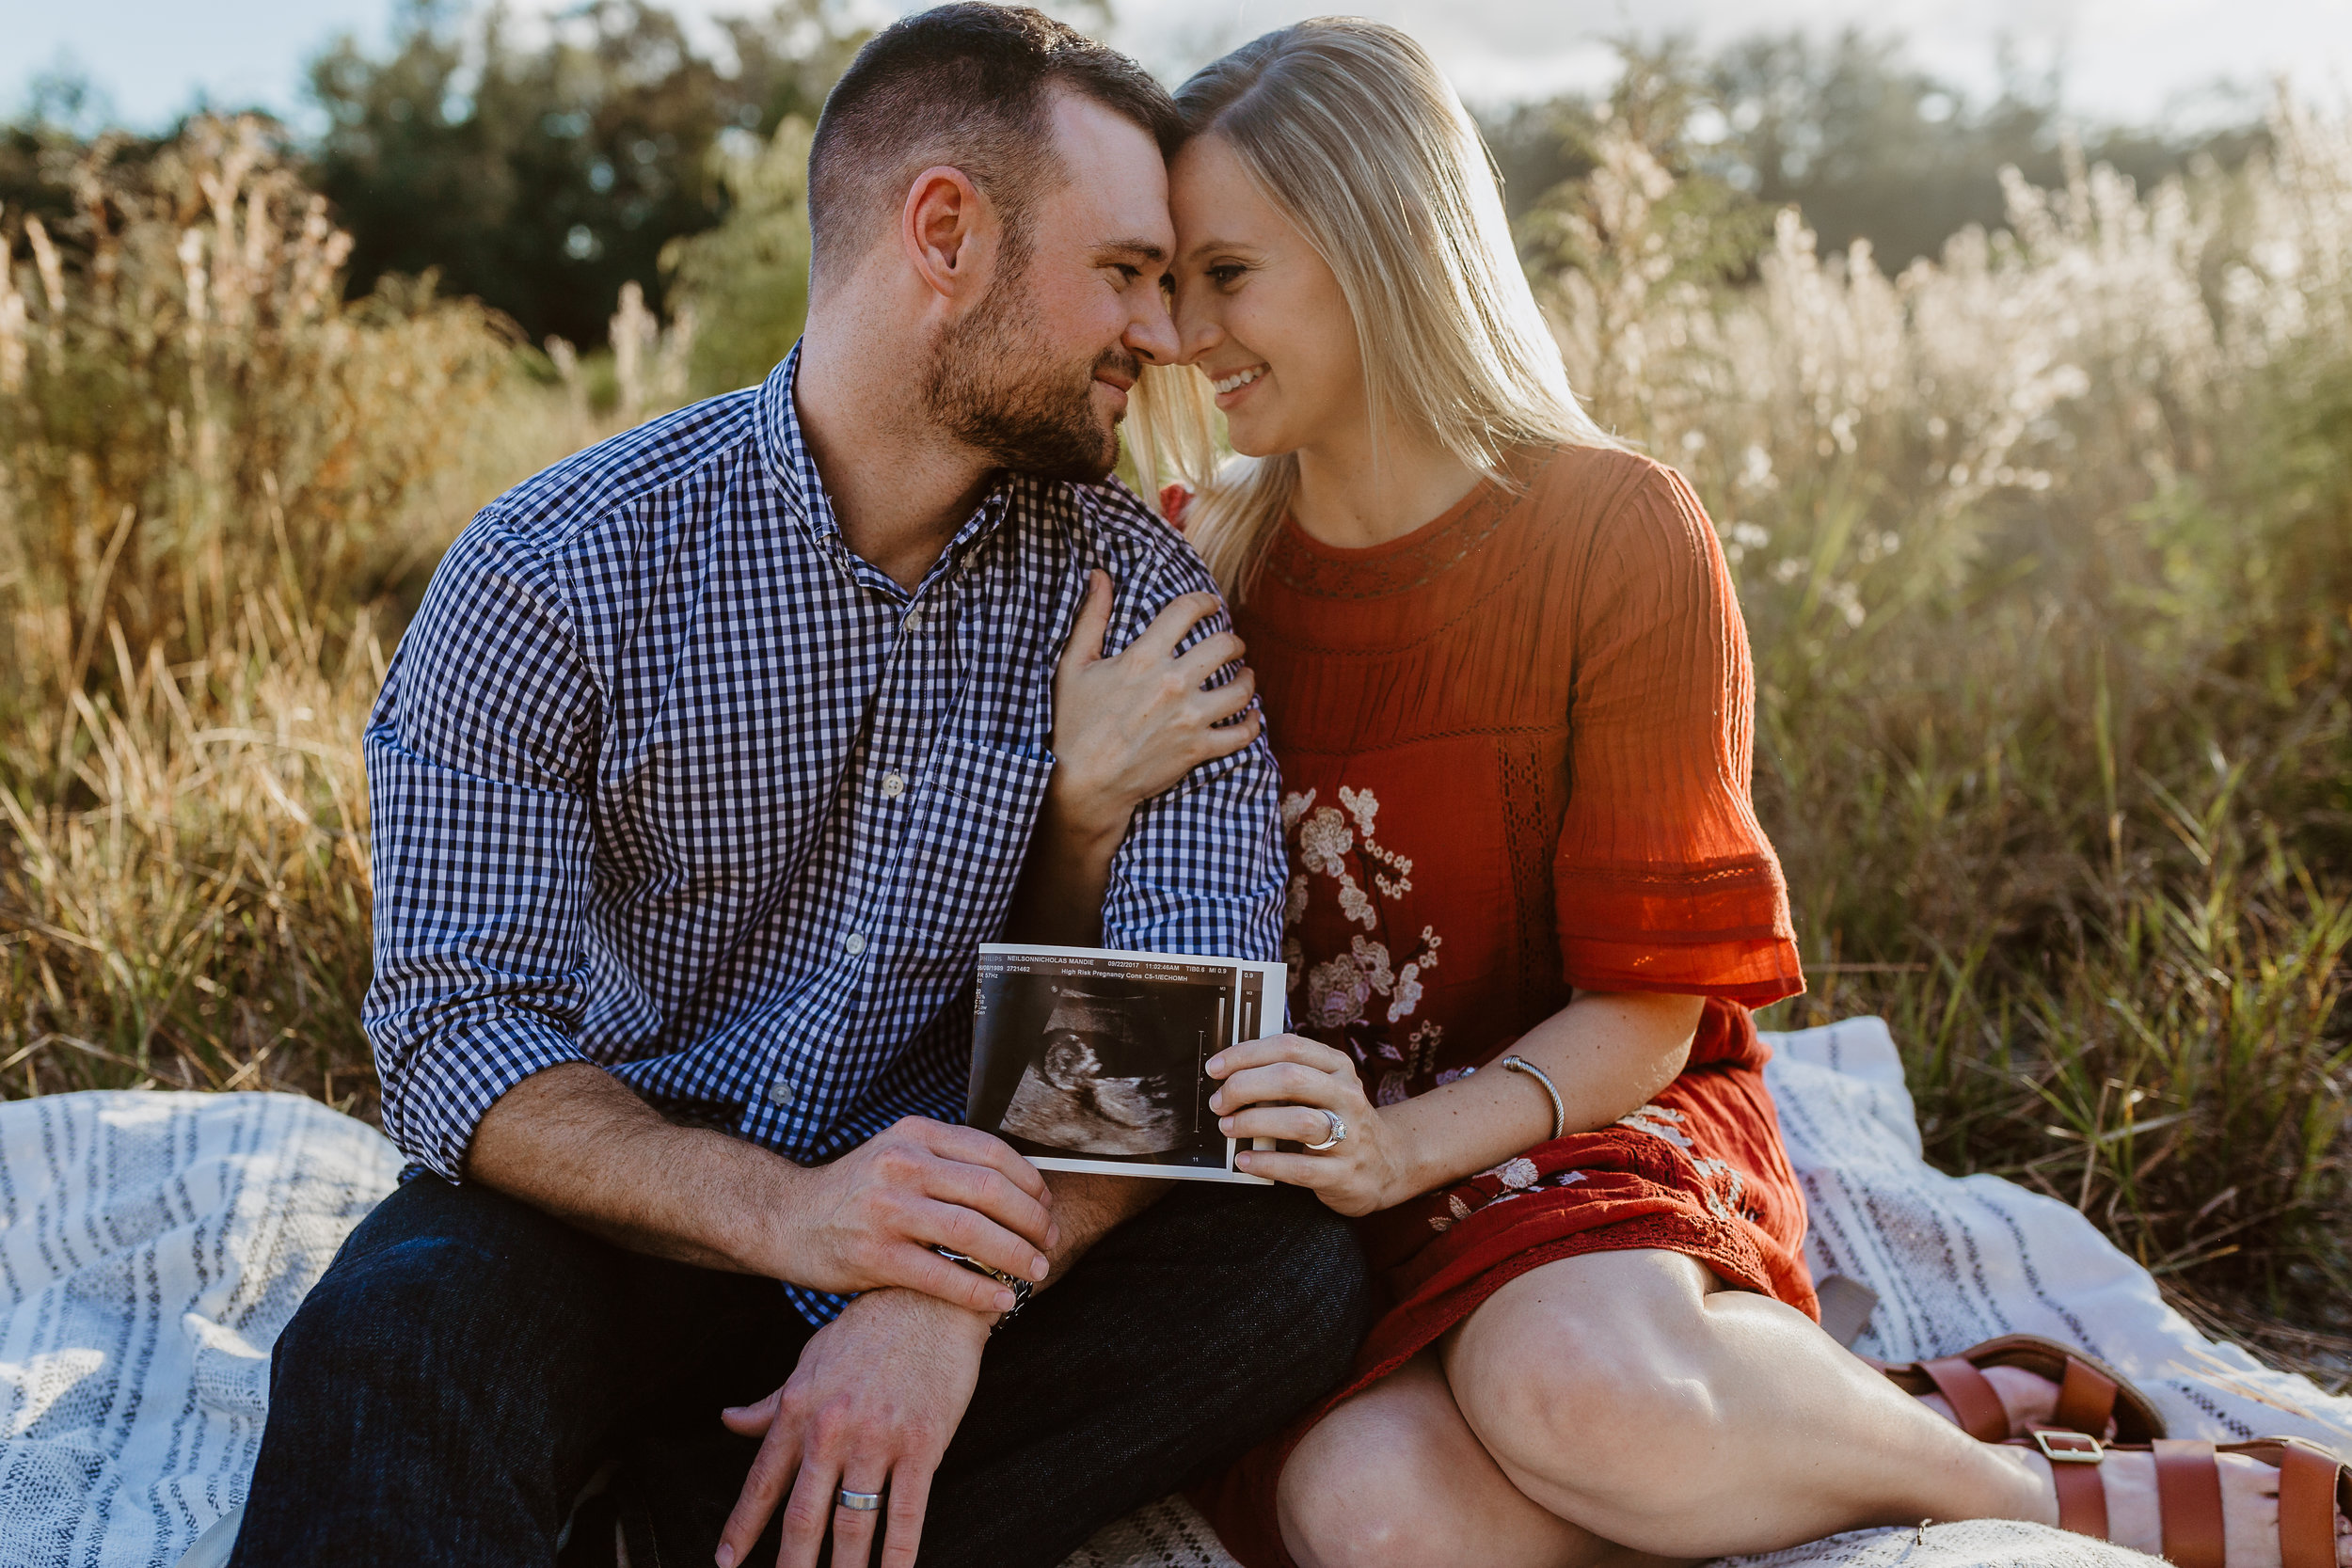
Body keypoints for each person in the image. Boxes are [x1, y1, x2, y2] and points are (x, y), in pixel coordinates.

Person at [1045, 18, 2352, 1568]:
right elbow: (1106, 978)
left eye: (1229, 275)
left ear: (1384, 247)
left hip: (1588, 1116)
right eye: (1173, 281)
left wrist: (1412, 1147)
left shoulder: (1618, 533)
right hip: (1329, 1195)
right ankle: (1796, 1434)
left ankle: (2033, 1493)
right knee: (1372, 1518)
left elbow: (1651, 1010)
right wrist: (1080, 808)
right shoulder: (1200, 558)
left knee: (1577, 1390)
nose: (1185, 335)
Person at [226, 9, 1371, 1568]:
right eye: (1121, 273)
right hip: (633, 1199)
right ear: (946, 233)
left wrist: (936, 1300)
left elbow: (1180, 1008)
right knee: (390, 1334)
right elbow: (457, 1028)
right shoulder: (556, 570)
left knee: (1287, 1269)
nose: (1163, 338)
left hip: (971, 1200)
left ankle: (701, 1526)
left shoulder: (1138, 594)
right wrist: (789, 1217)